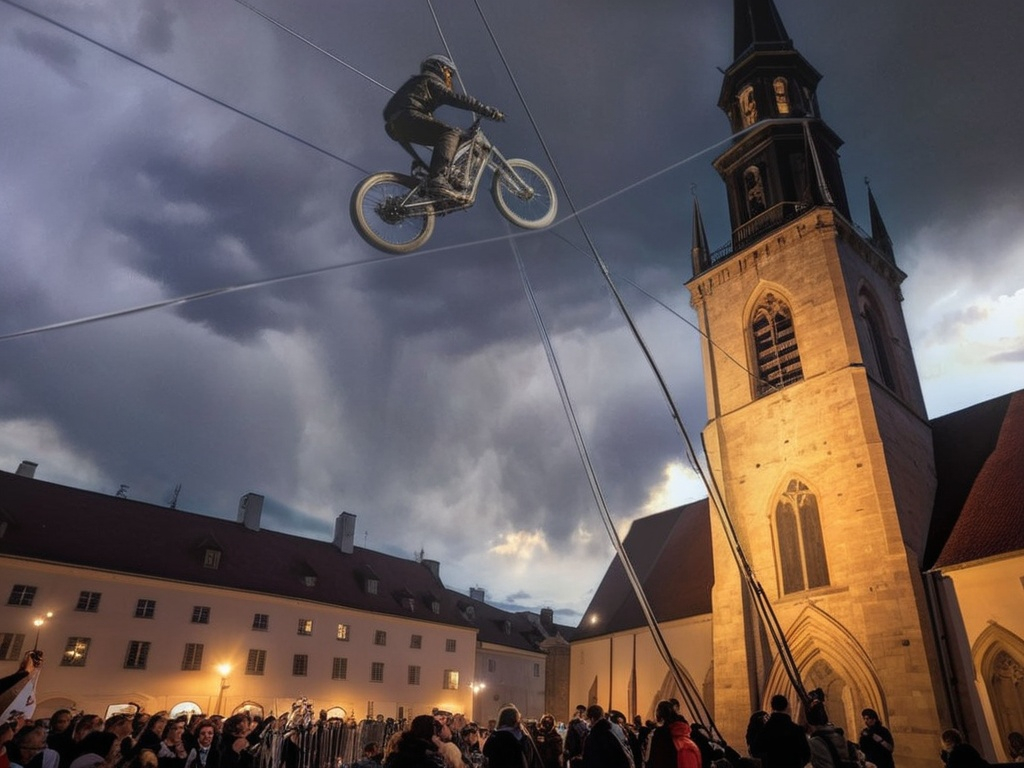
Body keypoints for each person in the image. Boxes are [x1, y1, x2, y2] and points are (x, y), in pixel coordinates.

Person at [382, 54, 505, 198]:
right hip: (408, 117)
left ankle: (425, 183)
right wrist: (486, 110)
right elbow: (455, 98)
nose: (449, 79)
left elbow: (394, 112)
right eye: (449, 73)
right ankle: (438, 178)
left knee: (439, 144)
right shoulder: (430, 80)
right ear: (441, 68)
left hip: (396, 125)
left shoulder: (417, 84)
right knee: (451, 133)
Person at [749, 696, 809, 768]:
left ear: (772, 708)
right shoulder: (797, 730)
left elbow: (755, 751)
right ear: (787, 707)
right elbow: (806, 755)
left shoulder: (765, 730)